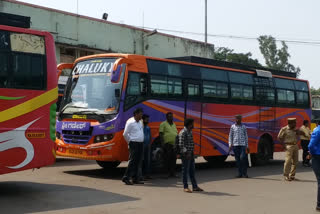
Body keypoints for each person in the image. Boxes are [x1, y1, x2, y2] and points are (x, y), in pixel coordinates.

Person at [178, 118, 203, 193]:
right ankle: (185, 187)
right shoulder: (183, 132)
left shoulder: (190, 131)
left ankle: (195, 186)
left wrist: (192, 153)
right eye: (192, 123)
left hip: (191, 154)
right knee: (185, 171)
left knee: (192, 171)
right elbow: (181, 145)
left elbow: (191, 143)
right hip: (186, 155)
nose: (193, 125)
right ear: (189, 124)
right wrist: (187, 153)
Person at [122, 108, 144, 185]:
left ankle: (135, 178)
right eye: (140, 114)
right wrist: (130, 142)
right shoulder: (130, 122)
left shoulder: (140, 122)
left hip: (140, 143)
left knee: (138, 161)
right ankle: (126, 177)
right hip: (134, 143)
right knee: (132, 161)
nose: (142, 115)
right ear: (136, 114)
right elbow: (125, 134)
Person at [159, 112, 178, 178]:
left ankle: (173, 173)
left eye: (172, 116)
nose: (171, 117)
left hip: (174, 144)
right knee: (167, 159)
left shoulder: (174, 124)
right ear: (166, 117)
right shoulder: (163, 124)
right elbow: (161, 134)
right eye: (169, 116)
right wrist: (162, 144)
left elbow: (175, 133)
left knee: (174, 159)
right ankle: (166, 173)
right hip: (167, 144)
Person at [309, 121, 320, 211]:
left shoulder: (317, 130)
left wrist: (311, 153)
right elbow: (311, 145)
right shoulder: (317, 131)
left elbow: (311, 145)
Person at [142, 114, 152, 179]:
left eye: (148, 119)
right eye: (146, 119)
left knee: (147, 160)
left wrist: (149, 144)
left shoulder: (148, 127)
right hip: (142, 145)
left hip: (147, 145)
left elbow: (150, 136)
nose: (147, 120)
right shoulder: (141, 127)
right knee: (142, 161)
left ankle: (147, 174)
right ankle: (141, 175)